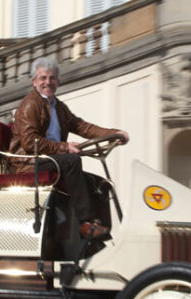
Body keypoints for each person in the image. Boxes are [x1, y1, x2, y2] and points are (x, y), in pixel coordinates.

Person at [9, 56, 129, 239]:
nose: (47, 82)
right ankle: (85, 224)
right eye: (43, 78)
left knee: (95, 182)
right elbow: (29, 142)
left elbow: (82, 127)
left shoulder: (58, 107)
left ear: (58, 81)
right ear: (34, 82)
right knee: (72, 161)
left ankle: (99, 232)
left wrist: (114, 133)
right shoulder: (30, 105)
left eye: (52, 78)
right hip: (30, 162)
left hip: (50, 159)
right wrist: (65, 147)